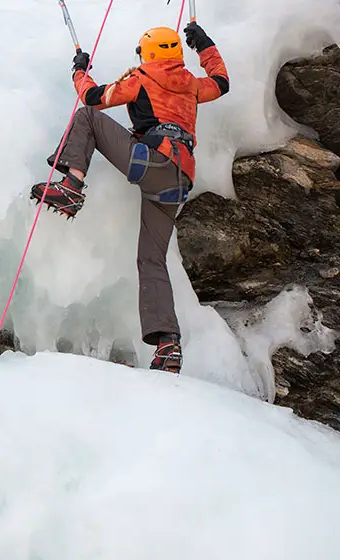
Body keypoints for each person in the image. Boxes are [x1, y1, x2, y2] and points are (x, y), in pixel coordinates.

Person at [30, 22, 229, 374]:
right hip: (179, 180)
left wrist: (79, 70)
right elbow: (222, 81)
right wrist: (205, 45)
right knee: (151, 260)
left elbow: (94, 99)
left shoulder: (141, 77)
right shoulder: (192, 85)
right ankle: (168, 345)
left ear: (147, 53)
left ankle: (71, 188)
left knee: (88, 118)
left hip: (153, 162)